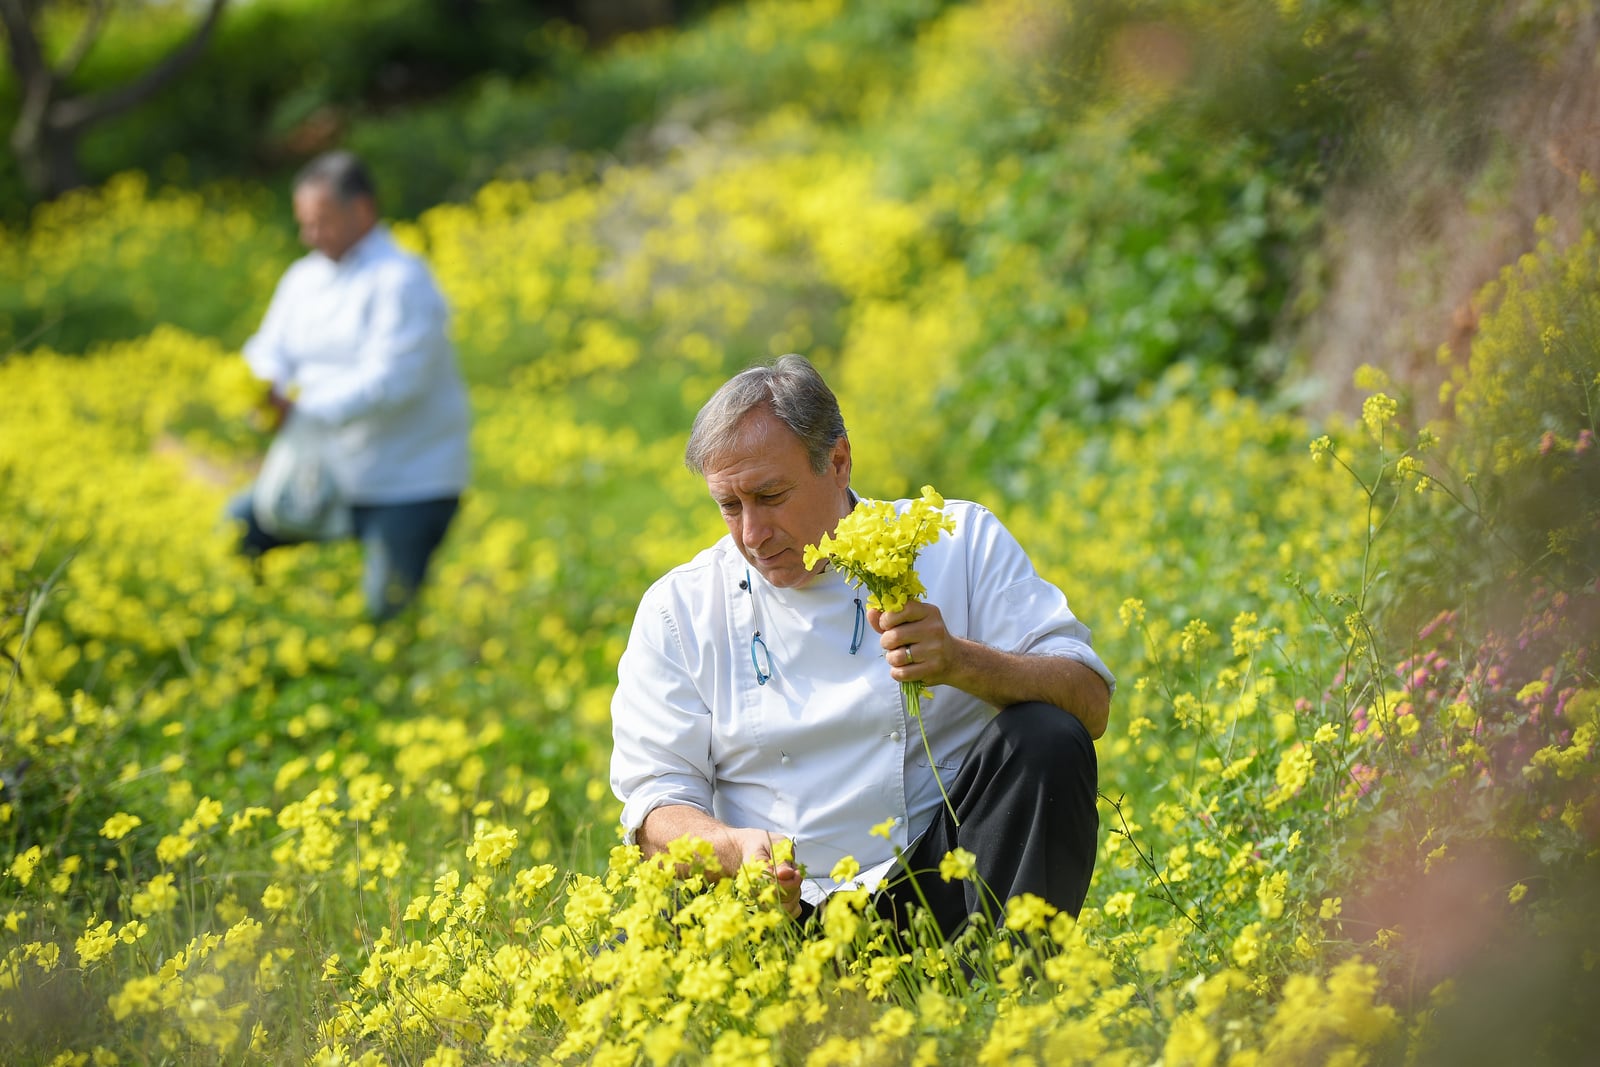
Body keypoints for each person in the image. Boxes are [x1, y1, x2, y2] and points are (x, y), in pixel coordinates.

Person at [609, 354, 1114, 940]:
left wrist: (961, 661)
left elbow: (1089, 703)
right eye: (729, 506)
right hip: (778, 908)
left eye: (770, 496)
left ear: (839, 461)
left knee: (1047, 739)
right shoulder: (681, 609)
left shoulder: (957, 540)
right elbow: (655, 806)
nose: (752, 534)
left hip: (942, 887)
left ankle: (1002, 986)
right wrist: (727, 848)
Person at [224, 150, 471, 622]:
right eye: (304, 223)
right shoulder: (303, 278)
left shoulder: (402, 279)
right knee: (237, 531)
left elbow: (394, 381)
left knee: (387, 614)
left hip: (408, 480)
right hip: (326, 471)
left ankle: (390, 683)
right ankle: (258, 634)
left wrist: (298, 410)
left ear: (362, 210)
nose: (310, 235)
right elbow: (269, 348)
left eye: (322, 221)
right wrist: (264, 385)